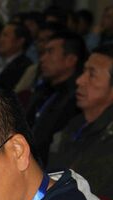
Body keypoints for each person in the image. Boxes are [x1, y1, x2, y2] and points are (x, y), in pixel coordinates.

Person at [48, 44, 113, 200]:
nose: (79, 80)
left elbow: (93, 194)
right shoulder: (75, 124)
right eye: (83, 72)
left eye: (92, 75)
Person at [25, 31, 86, 166]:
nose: (42, 59)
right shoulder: (43, 90)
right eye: (44, 52)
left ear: (70, 60)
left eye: (50, 52)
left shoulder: (77, 99)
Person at [0, 23, 32, 89]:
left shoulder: (25, 67)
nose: (0, 39)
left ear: (19, 41)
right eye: (1, 35)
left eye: (5, 35)